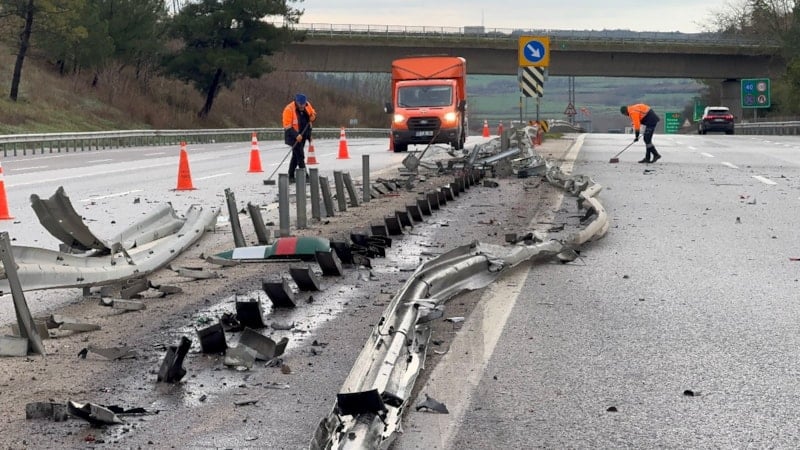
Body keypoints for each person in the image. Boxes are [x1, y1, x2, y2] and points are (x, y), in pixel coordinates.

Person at [283, 93, 317, 182]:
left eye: (304, 104)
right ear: (296, 102)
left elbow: (312, 112)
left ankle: (290, 176)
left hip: (304, 135)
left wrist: (313, 116)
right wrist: (296, 135)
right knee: (300, 155)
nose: (302, 106)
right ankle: (305, 176)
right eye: (301, 104)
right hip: (292, 136)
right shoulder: (289, 109)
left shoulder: (307, 104)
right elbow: (287, 126)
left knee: (296, 156)